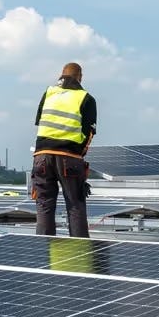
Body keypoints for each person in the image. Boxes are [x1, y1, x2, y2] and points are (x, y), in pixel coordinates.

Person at [31, 62, 97, 237]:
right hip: (69, 157)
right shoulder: (86, 98)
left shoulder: (49, 93)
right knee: (75, 204)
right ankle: (79, 254)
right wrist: (79, 156)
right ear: (80, 77)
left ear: (61, 75)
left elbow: (40, 122)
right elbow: (89, 133)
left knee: (44, 204)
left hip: (41, 156)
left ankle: (43, 252)